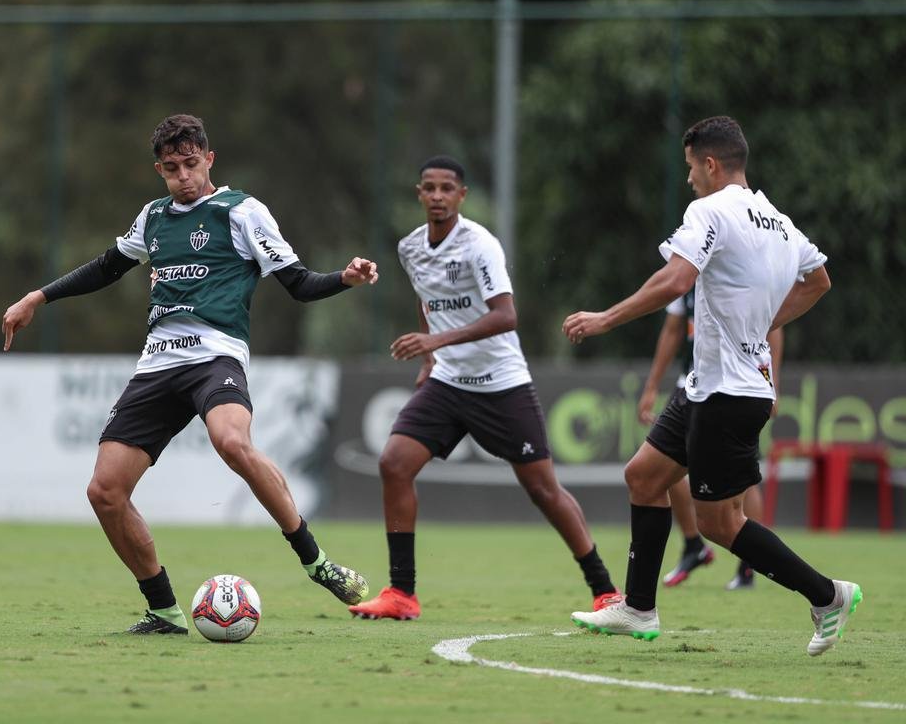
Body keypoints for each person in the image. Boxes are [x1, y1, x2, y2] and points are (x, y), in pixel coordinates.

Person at [1, 113, 375, 635]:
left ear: (209, 159)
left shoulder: (242, 211)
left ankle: (317, 562)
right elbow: (107, 266)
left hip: (216, 357)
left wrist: (345, 278)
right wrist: (37, 296)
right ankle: (163, 609)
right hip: (158, 365)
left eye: (191, 164)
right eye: (172, 167)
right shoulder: (153, 217)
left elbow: (299, 283)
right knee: (104, 492)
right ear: (160, 169)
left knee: (231, 443)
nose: (183, 176)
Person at [564, 116, 858, 657]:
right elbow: (819, 280)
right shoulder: (780, 222)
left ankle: (828, 595)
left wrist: (605, 318)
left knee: (721, 524)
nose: (690, 179)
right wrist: (768, 321)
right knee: (645, 477)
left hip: (729, 392)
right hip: (708, 386)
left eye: (691, 168)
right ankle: (639, 608)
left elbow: (676, 280)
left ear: (710, 163)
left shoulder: (709, 210)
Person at [347, 156, 619, 621]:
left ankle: (606, 591)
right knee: (394, 463)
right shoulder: (410, 247)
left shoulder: (480, 246)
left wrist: (435, 340)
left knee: (543, 489)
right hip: (449, 382)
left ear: (461, 196)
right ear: (419, 194)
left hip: (501, 383)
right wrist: (432, 360)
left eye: (446, 188)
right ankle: (401, 594)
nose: (437, 196)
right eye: (428, 188)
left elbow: (505, 316)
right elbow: (425, 297)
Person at [638, 295, 781, 590]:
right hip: (691, 383)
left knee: (742, 480)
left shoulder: (740, 266)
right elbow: (672, 328)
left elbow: (773, 325)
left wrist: (772, 380)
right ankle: (693, 545)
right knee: (656, 468)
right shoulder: (685, 270)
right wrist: (651, 386)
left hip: (735, 385)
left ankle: (750, 565)